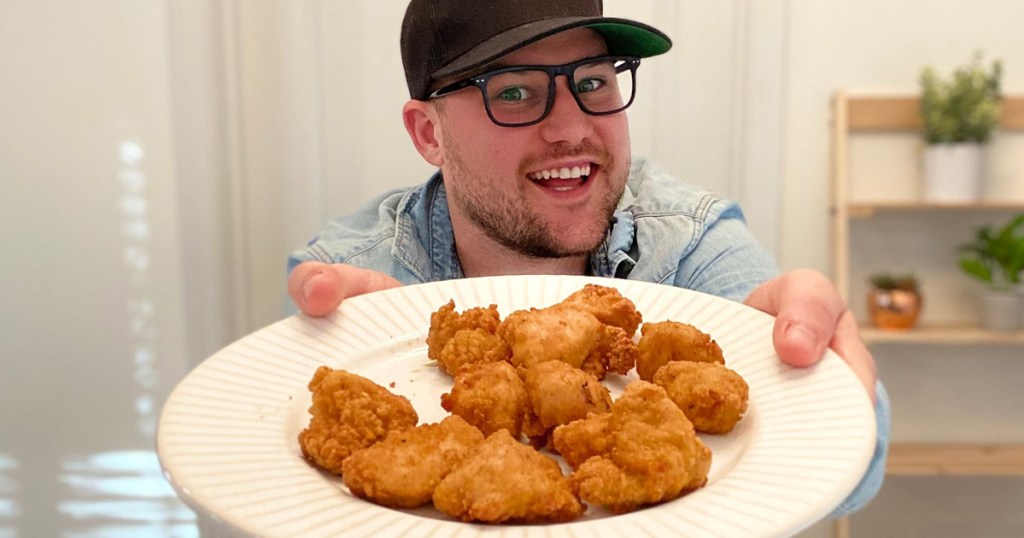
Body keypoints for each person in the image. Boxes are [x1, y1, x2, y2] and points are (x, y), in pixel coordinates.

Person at [286, 0, 889, 517]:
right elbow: (269, 500)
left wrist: (828, 390)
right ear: (428, 135)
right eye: (515, 92)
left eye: (593, 82)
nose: (571, 127)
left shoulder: (690, 239)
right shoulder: (349, 276)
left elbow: (846, 467)